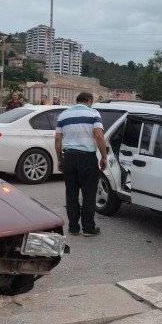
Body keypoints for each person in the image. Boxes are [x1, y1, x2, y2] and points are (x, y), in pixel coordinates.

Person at [54, 92, 108, 237]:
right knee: (89, 194)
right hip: (87, 158)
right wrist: (104, 157)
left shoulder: (63, 115)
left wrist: (60, 159)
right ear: (89, 101)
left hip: (69, 157)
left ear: (77, 101)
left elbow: (58, 140)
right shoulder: (93, 113)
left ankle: (73, 227)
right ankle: (88, 228)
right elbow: (99, 135)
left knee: (71, 194)